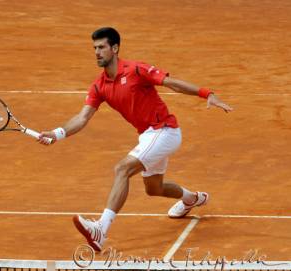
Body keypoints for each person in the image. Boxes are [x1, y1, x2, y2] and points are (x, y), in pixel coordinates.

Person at [38, 27, 233, 252]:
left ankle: (101, 229)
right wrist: (57, 133)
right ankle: (192, 199)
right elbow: (82, 117)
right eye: (94, 48)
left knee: (122, 169)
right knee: (154, 188)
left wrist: (207, 93)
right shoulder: (99, 85)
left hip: (165, 130)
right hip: (148, 135)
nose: (97, 52)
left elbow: (172, 83)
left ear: (115, 48)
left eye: (101, 47)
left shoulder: (136, 70)